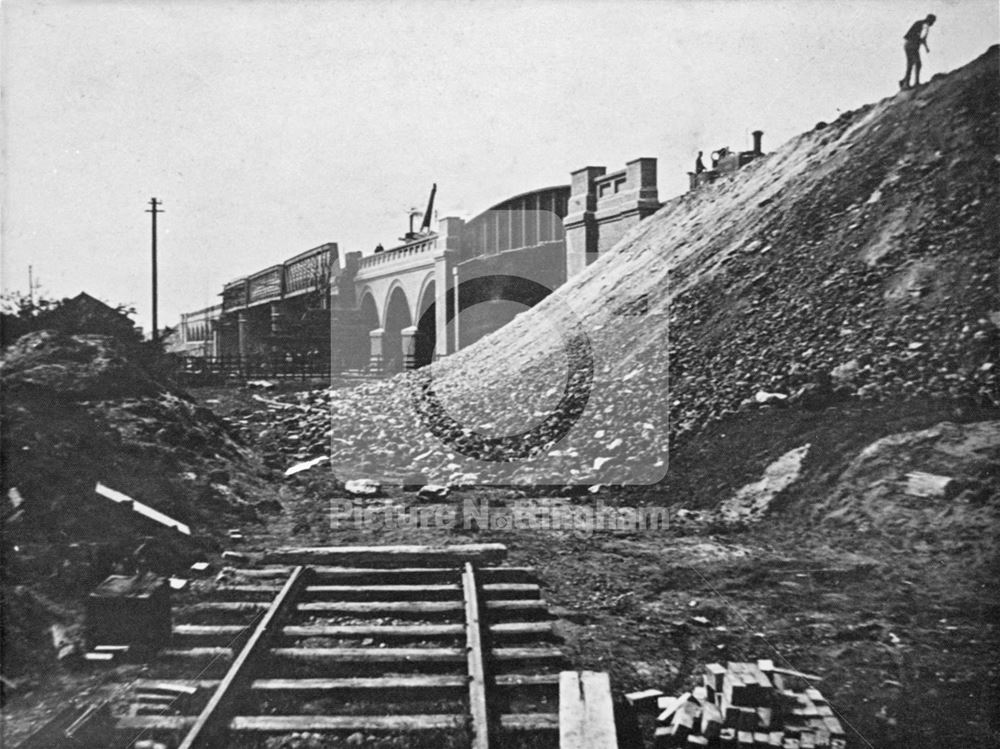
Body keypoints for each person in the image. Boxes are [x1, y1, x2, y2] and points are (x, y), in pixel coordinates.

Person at [900, 14, 936, 89]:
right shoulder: (924, 25)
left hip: (909, 45)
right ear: (930, 20)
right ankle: (914, 82)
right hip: (912, 45)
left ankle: (905, 82)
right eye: (933, 21)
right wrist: (925, 47)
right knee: (917, 63)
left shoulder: (921, 23)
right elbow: (922, 37)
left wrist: (926, 47)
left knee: (911, 63)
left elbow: (922, 38)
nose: (933, 23)